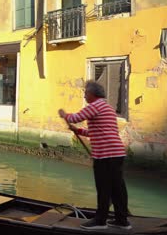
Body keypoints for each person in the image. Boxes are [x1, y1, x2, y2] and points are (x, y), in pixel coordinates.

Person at [58, 81, 131, 230]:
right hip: (115, 153)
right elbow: (95, 132)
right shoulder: (107, 108)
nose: (84, 95)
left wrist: (64, 114)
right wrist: (78, 131)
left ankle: (100, 221)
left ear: (92, 94)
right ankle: (122, 220)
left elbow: (75, 118)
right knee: (117, 187)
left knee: (104, 187)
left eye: (85, 93)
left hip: (106, 155)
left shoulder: (95, 106)